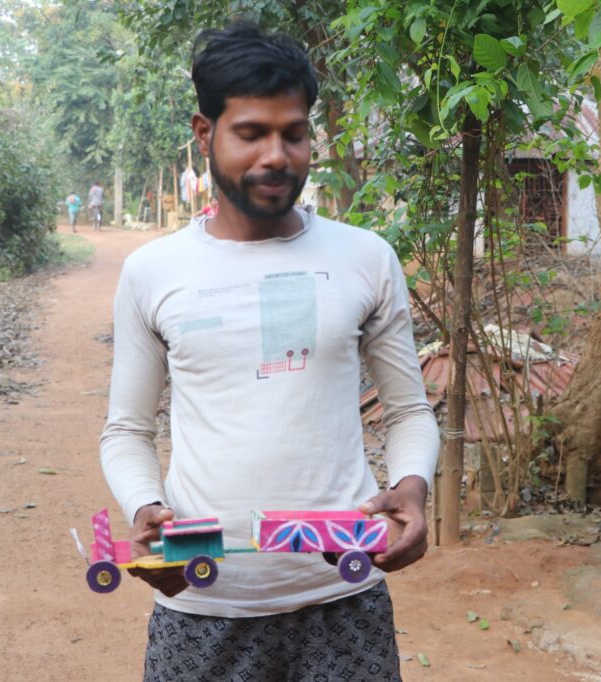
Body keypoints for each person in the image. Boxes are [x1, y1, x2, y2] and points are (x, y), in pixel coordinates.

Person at [99, 21, 439, 681]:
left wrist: (412, 488)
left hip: (345, 598)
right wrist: (145, 510)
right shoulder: (152, 273)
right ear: (205, 134)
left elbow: (408, 411)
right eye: (251, 133)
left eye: (294, 133)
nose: (277, 156)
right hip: (202, 606)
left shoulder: (365, 259)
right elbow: (126, 431)